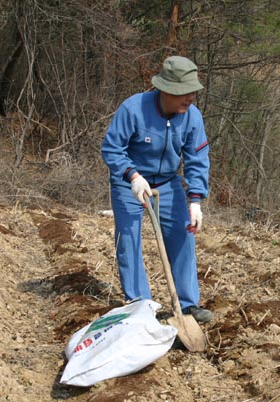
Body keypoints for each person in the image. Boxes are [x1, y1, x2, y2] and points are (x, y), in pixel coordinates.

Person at [101, 55, 212, 323]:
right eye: (183, 94)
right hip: (131, 182)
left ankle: (187, 305)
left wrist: (195, 199)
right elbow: (112, 148)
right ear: (165, 90)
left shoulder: (192, 117)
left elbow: (197, 158)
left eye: (192, 93)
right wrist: (133, 175)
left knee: (184, 235)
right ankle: (141, 306)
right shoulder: (133, 109)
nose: (189, 99)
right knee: (129, 239)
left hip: (167, 182)